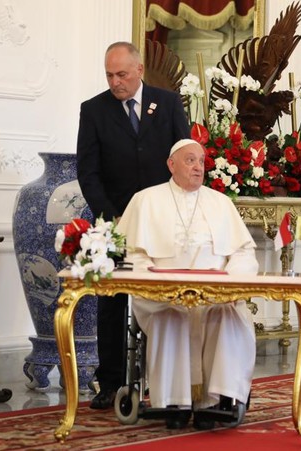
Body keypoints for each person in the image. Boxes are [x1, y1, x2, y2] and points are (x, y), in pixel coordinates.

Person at [77, 41, 190, 409]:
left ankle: (163, 381)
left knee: (162, 300)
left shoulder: (168, 103)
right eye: (109, 74)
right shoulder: (93, 110)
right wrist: (112, 217)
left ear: (139, 70)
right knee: (111, 301)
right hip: (115, 220)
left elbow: (184, 157)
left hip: (163, 221)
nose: (115, 82)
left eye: (122, 74)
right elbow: (88, 172)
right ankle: (110, 382)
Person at [117, 139, 258, 430]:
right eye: (190, 161)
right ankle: (173, 402)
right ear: (171, 164)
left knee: (226, 313)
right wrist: (156, 284)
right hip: (163, 294)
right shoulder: (146, 200)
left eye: (201, 162)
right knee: (172, 315)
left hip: (215, 295)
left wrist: (231, 284)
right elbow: (133, 254)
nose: (198, 167)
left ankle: (216, 400)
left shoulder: (220, 202)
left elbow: (244, 252)